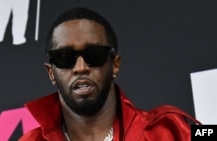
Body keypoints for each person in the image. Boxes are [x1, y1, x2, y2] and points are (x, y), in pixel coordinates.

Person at [19, 7, 201, 141]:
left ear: (115, 65)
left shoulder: (169, 129)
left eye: (94, 55)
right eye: (65, 58)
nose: (80, 67)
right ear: (51, 73)